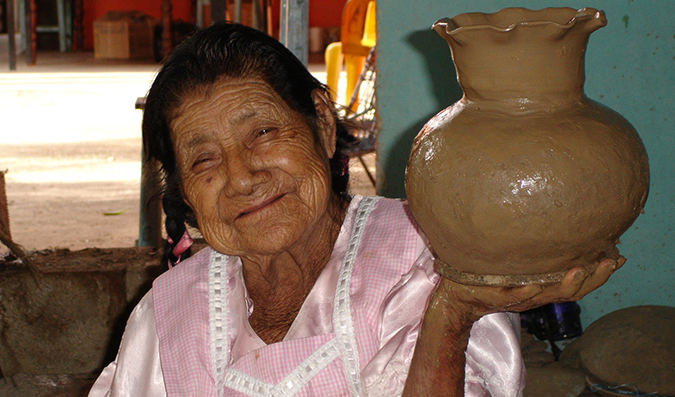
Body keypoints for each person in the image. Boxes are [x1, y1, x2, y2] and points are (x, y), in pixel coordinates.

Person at [89, 22, 622, 397]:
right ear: (184, 188)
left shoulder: (429, 258)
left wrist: (452, 315)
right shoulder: (168, 314)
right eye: (204, 159)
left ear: (321, 123)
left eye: (263, 132)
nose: (242, 176)